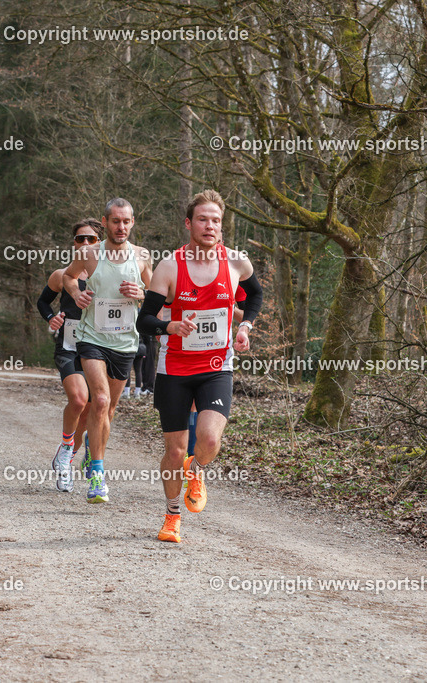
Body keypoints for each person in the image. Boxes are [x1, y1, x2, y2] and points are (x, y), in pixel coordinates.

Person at [137, 189, 263, 543]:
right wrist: (169, 326)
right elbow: (144, 321)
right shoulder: (170, 266)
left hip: (216, 365)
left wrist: (245, 326)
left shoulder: (237, 263)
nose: (210, 226)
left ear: (222, 227)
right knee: (174, 450)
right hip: (174, 368)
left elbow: (255, 295)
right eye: (203, 219)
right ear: (189, 223)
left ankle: (198, 469)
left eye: (217, 221)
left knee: (207, 439)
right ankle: (172, 516)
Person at [64, 198, 152, 503]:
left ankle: (91, 451)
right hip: (92, 338)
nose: (122, 227)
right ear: (105, 222)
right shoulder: (89, 254)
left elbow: (155, 298)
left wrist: (140, 293)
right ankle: (98, 476)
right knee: (99, 400)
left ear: (132, 223)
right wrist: (76, 293)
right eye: (116, 221)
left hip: (125, 342)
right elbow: (67, 276)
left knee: (109, 411)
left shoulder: (141, 256)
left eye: (127, 221)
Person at [38, 218, 100, 492]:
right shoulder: (61, 274)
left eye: (91, 239)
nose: (85, 243)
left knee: (91, 408)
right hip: (69, 347)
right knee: (78, 399)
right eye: (80, 239)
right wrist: (51, 318)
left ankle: (70, 455)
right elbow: (42, 301)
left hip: (99, 348)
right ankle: (66, 449)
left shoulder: (107, 274)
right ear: (73, 243)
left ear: (100, 242)